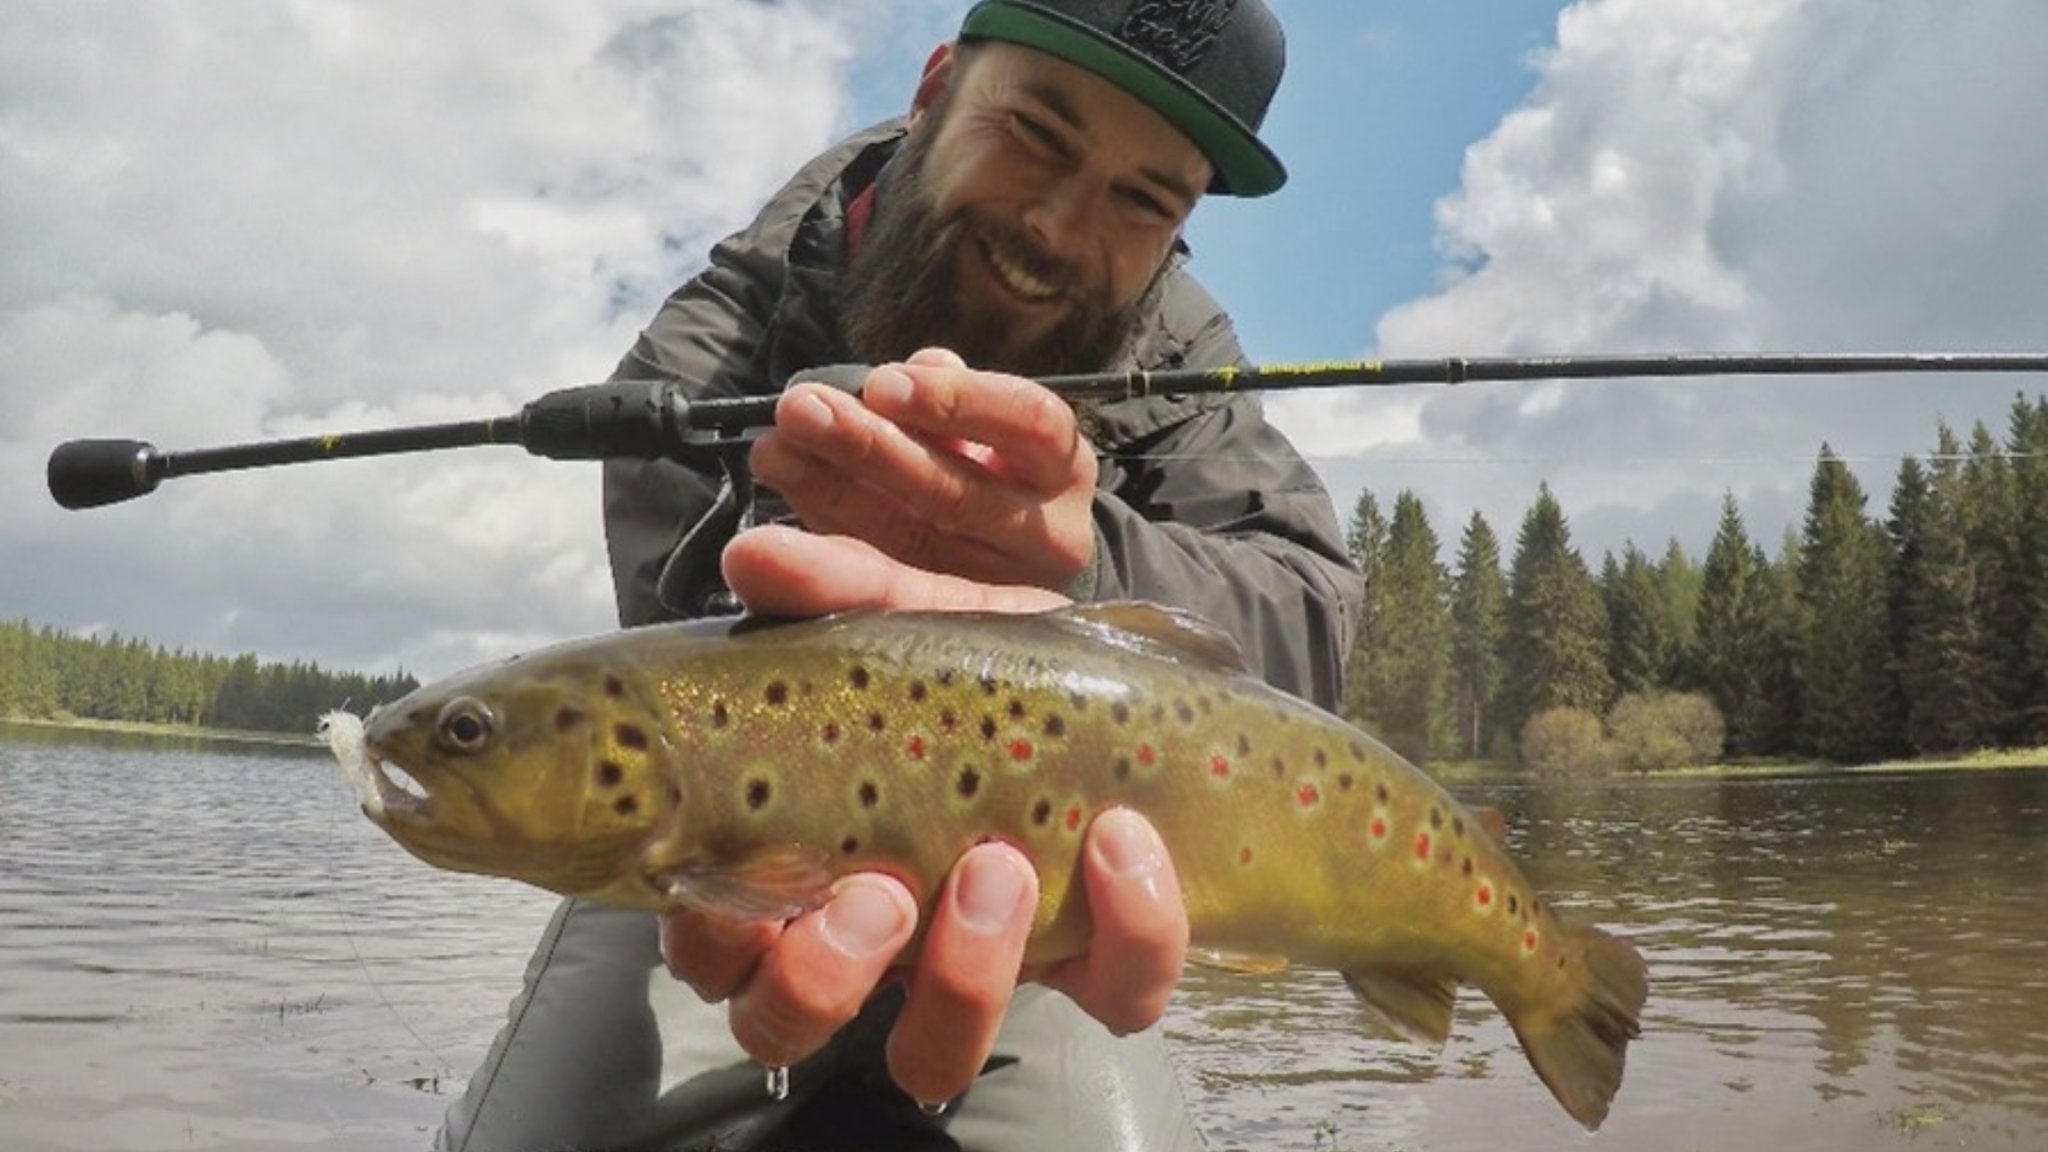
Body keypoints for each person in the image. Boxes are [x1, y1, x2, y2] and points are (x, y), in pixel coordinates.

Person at [438, 2, 1363, 1149]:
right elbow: (666, 676)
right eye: (1036, 133)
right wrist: (834, 546)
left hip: (1029, 888)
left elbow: (1307, 623)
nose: (1056, 230)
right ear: (932, 94)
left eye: (1142, 199)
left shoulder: (1175, 350)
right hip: (710, 864)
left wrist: (1078, 562)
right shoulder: (719, 332)